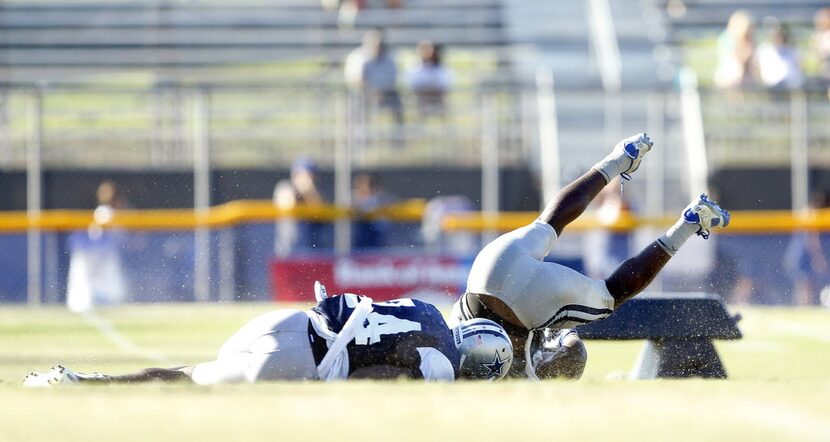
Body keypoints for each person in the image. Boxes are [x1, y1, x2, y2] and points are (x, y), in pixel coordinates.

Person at [450, 133, 731, 380]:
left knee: (610, 294)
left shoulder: (524, 373)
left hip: (528, 308)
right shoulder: (454, 338)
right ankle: (620, 157)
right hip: (486, 272)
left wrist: (563, 337)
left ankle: (691, 222)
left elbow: (571, 353)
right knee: (549, 222)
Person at [24, 282, 513, 386]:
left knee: (189, 372)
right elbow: (385, 373)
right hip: (303, 362)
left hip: (289, 321)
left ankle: (83, 381)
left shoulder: (427, 308)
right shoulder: (444, 366)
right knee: (191, 381)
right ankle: (80, 383)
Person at [344, 29, 404, 127]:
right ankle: (359, 134)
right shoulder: (357, 57)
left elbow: (393, 77)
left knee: (396, 101)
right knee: (355, 100)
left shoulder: (388, 58)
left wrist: (382, 91)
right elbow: (354, 79)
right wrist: (371, 90)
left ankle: (398, 136)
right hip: (363, 93)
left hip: (385, 93)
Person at [273, 157, 331, 255]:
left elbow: (321, 212)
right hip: (289, 251)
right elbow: (288, 204)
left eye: (312, 174)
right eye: (306, 174)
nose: (309, 178)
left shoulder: (317, 193)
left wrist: (309, 192)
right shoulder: (285, 187)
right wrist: (303, 189)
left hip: (314, 251)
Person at [406, 41, 453, 117]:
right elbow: (413, 85)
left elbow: (444, 84)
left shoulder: (441, 68)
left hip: (437, 98)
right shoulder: (414, 67)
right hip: (421, 99)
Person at [714, 10, 757, 90]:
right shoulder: (727, 39)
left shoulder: (750, 39)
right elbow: (733, 62)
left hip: (746, 77)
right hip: (731, 76)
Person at [757, 19, 803, 91]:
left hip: (790, 87)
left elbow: (796, 72)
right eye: (776, 35)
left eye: (780, 34)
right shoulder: (764, 50)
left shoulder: (791, 50)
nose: (778, 37)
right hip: (772, 87)